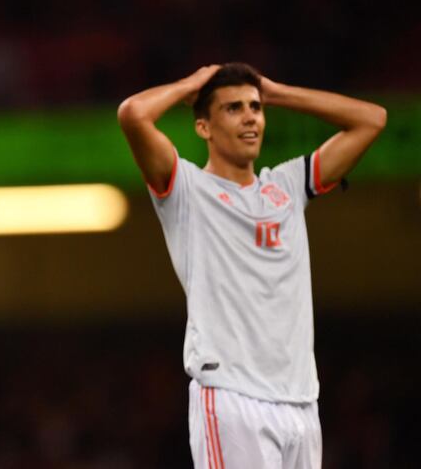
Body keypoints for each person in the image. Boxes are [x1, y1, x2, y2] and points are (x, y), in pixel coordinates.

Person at [118, 63, 386, 469]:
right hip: (232, 396)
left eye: (255, 108)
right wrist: (192, 85)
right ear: (203, 127)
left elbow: (372, 120)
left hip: (300, 401)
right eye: (233, 108)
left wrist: (277, 92)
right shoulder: (186, 190)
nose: (250, 117)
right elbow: (133, 114)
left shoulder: (287, 185)